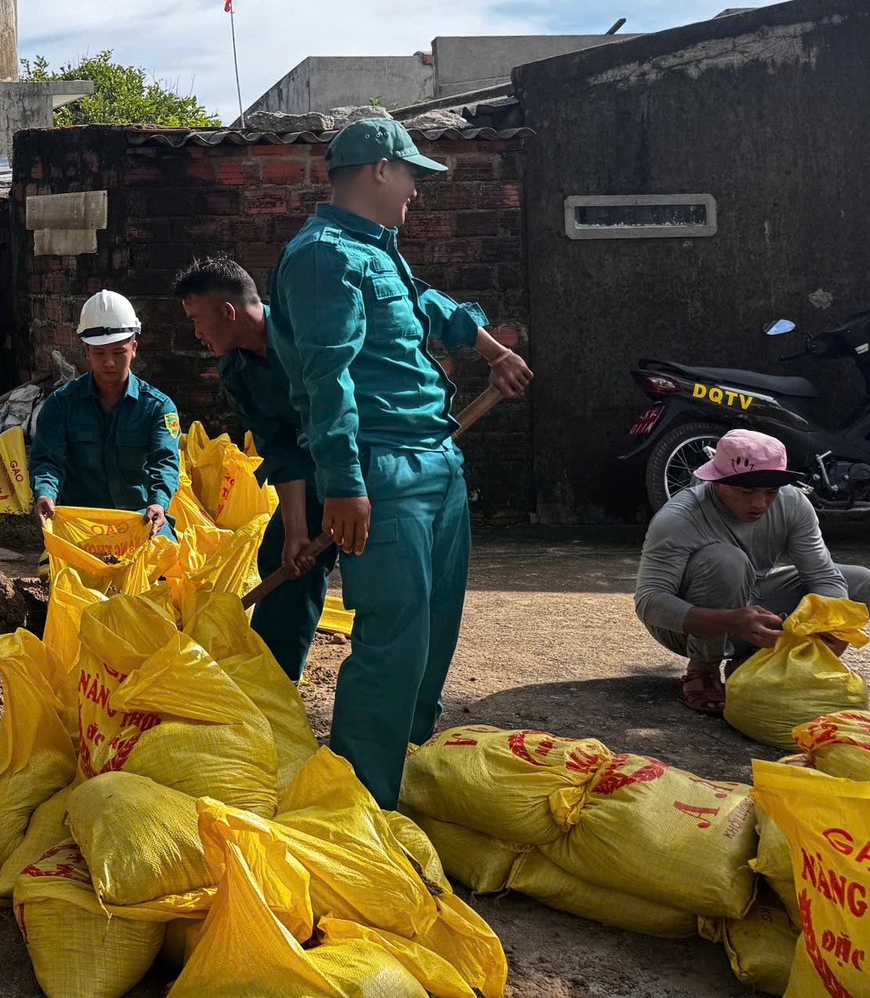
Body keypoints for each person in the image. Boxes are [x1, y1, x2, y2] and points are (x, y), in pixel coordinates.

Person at [269, 118, 531, 810]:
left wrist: (489, 349)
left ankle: (400, 769)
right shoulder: (322, 257)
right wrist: (346, 486)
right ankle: (359, 806)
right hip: (383, 475)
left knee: (430, 639)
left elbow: (428, 307)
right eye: (412, 173)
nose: (418, 189)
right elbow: (328, 380)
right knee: (392, 648)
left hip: (435, 464)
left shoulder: (378, 251)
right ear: (380, 169)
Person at [634, 428, 870, 714]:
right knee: (726, 561)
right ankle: (702, 670)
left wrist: (831, 626)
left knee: (864, 586)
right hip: (687, 625)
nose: (759, 504)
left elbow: (823, 576)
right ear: (717, 482)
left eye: (770, 492)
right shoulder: (679, 518)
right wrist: (730, 621)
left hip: (751, 603)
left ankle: (761, 661)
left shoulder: (793, 503)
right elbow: (650, 602)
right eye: (746, 491)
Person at [176, 254, 328, 682]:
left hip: (368, 461)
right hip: (312, 473)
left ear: (228, 312)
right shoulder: (235, 370)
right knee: (286, 552)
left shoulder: (310, 330)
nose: (197, 335)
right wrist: (297, 527)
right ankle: (273, 683)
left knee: (378, 570)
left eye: (197, 322)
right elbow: (281, 447)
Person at [29, 290, 181, 539]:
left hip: (141, 519)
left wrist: (158, 503)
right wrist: (45, 494)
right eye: (100, 353)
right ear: (86, 350)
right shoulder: (60, 404)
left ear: (134, 348)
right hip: (80, 523)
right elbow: (47, 461)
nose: (109, 362)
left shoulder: (158, 407)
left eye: (118, 352)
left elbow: (164, 462)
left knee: (167, 571)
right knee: (58, 574)